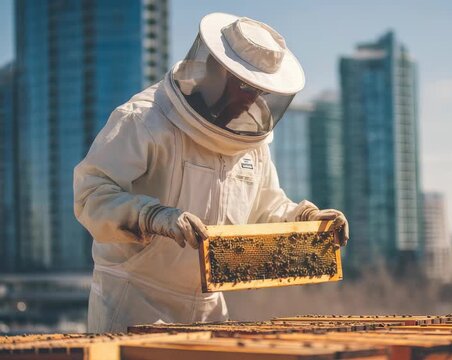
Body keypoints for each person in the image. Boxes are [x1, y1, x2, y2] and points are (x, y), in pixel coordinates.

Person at [73, 13, 349, 333]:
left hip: (210, 309)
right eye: (246, 87)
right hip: (133, 302)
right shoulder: (144, 119)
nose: (253, 101)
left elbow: (266, 210)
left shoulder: (252, 146)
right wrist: (150, 216)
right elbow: (91, 193)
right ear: (215, 71)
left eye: (261, 92)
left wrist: (307, 221)